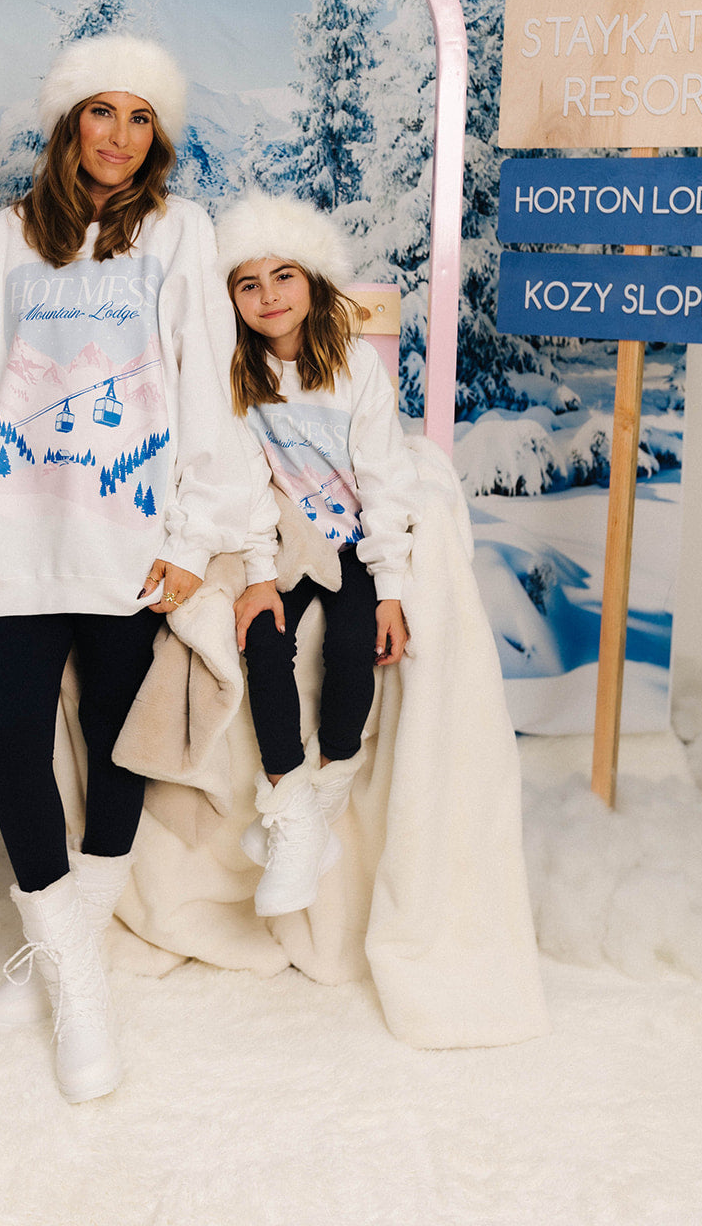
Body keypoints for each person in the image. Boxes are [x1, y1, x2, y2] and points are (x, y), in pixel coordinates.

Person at [0, 35, 258, 1104]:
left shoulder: (181, 234)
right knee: (15, 746)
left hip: (128, 539)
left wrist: (190, 540)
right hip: (14, 528)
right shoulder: (8, 237)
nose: (116, 134)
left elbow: (206, 384)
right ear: (67, 124)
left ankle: (67, 959)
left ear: (159, 136)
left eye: (139, 116)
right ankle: (68, 965)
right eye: (99, 111)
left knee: (114, 742)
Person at [214, 190, 419, 920]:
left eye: (283, 276)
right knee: (264, 643)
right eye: (247, 283)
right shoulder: (236, 377)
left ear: (312, 281)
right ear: (231, 298)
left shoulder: (354, 366)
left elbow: (384, 476)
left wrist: (389, 584)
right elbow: (241, 484)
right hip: (288, 539)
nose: (268, 296)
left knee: (350, 643)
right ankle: (290, 804)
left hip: (355, 542)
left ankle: (318, 799)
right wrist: (257, 576)